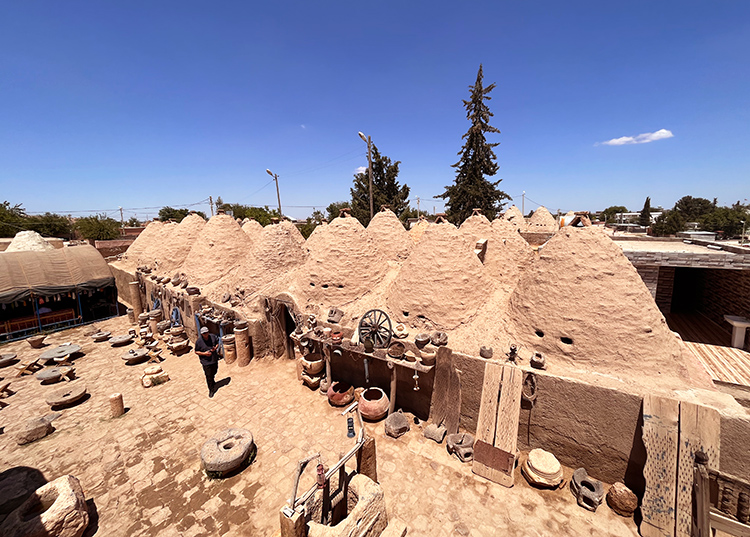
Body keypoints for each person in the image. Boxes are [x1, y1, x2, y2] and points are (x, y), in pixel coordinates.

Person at [195, 326, 220, 397]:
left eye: (207, 333)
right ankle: (211, 389)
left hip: (214, 358)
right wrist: (204, 354)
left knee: (214, 371)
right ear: (202, 334)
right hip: (206, 361)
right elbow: (196, 351)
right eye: (204, 333)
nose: (206, 334)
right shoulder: (199, 342)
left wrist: (215, 348)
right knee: (208, 375)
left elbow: (217, 343)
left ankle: (212, 380)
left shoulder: (212, 337)